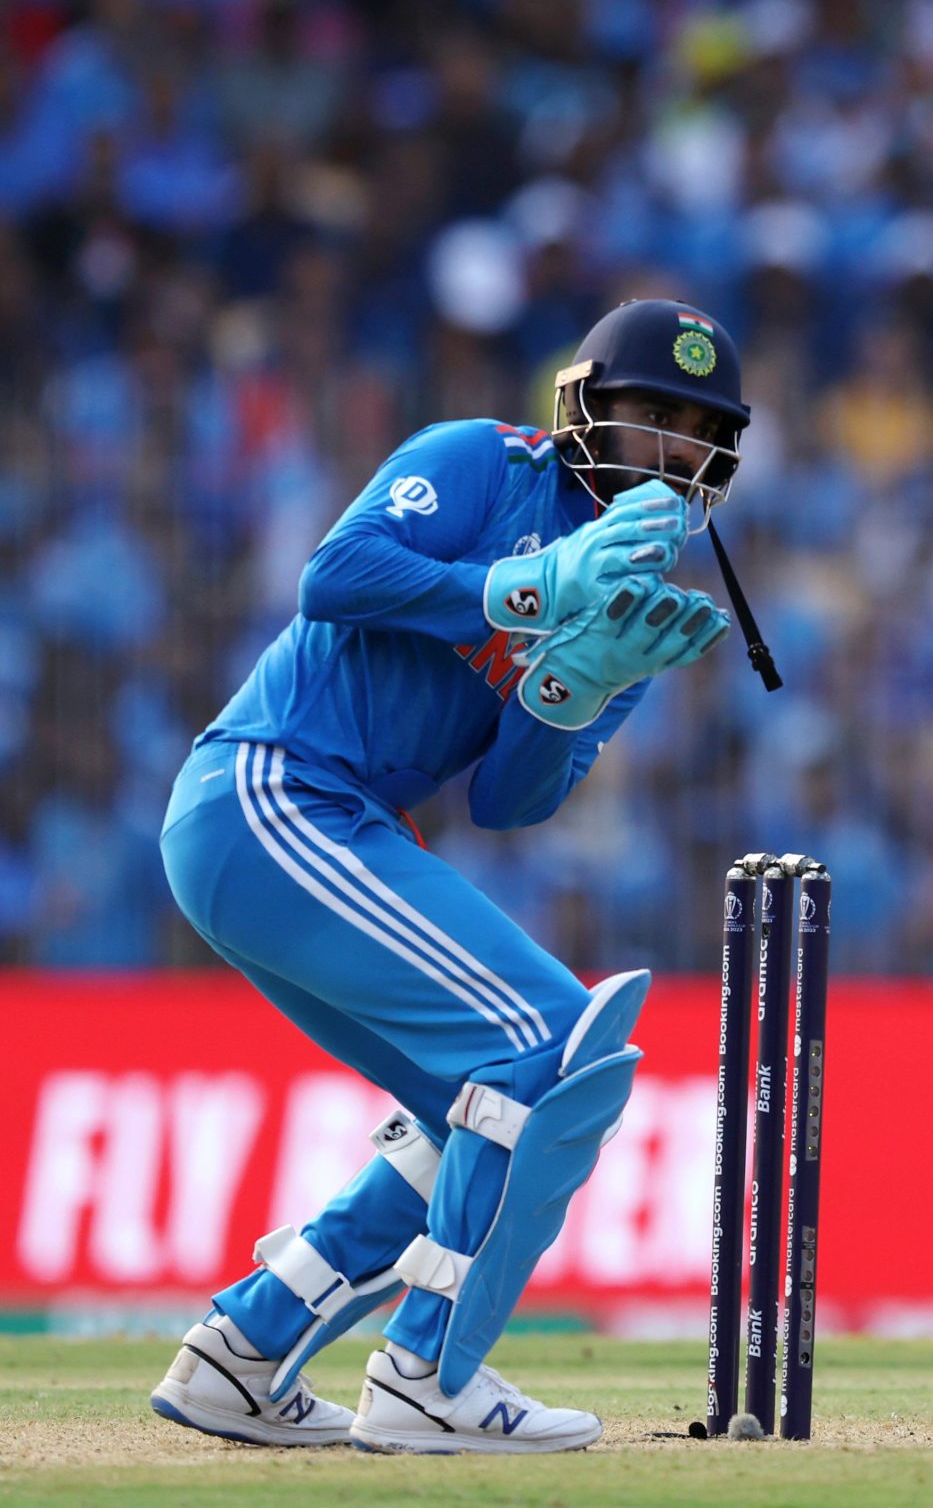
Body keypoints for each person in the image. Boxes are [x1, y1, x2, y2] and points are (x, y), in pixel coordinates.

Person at [151, 300, 751, 1453]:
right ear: (583, 408)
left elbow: (508, 803)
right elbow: (333, 577)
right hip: (271, 791)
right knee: (550, 1045)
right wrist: (521, 595)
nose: (673, 448)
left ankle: (245, 1350)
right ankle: (429, 1374)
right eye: (651, 414)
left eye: (699, 429)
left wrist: (572, 682)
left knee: (466, 1105)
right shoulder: (477, 461)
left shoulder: (636, 603)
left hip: (325, 825)